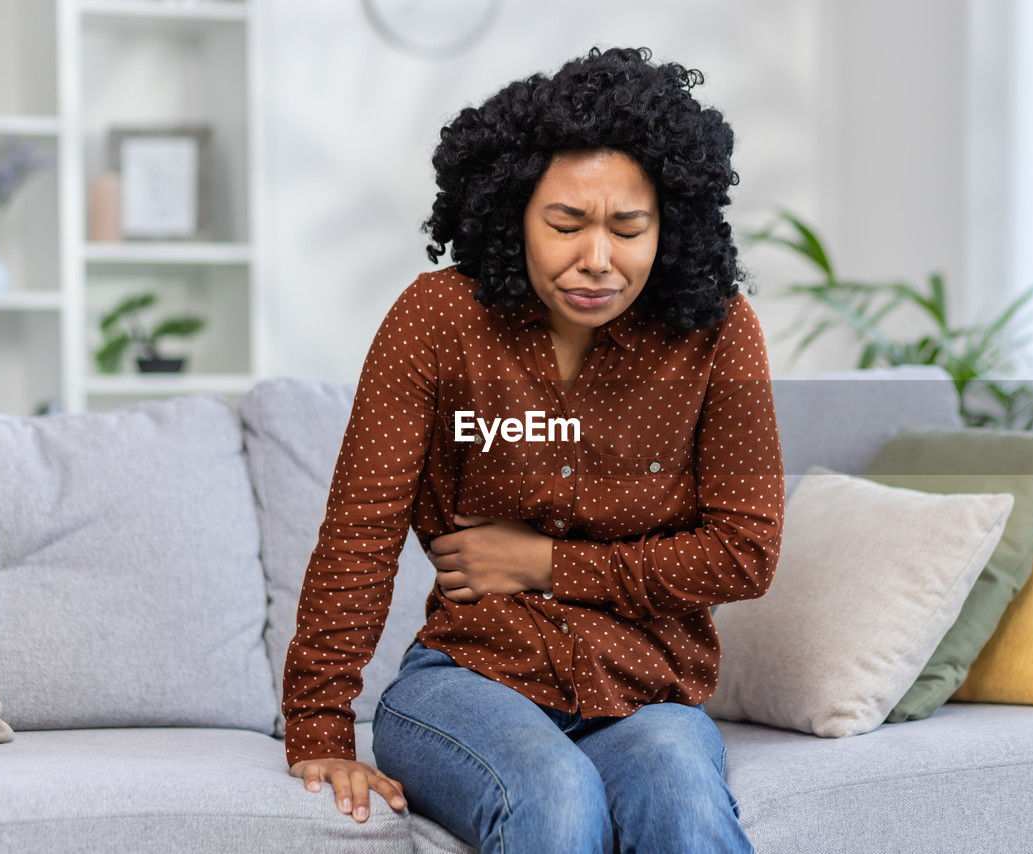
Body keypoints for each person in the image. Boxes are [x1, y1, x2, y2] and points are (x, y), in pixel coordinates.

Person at [282, 45, 785, 853]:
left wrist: (545, 563)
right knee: (553, 797)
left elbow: (745, 553)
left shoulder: (719, 334)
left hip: (644, 693)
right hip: (466, 680)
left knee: (686, 809)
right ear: (512, 212)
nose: (597, 259)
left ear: (670, 225)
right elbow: (360, 535)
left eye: (628, 228)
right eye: (564, 224)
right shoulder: (438, 319)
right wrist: (318, 728)